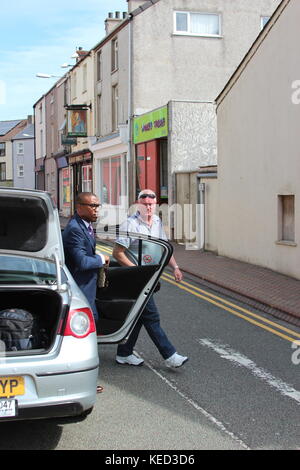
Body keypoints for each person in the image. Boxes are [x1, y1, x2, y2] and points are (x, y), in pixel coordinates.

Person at [112, 189, 188, 369]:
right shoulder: (129, 225)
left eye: (151, 204)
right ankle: (170, 356)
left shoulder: (157, 222)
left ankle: (124, 353)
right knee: (151, 317)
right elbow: (118, 253)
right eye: (144, 203)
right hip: (136, 280)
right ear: (138, 204)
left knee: (138, 317)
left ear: (155, 205)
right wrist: (137, 272)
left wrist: (175, 267)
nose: (148, 206)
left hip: (150, 277)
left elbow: (165, 248)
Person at [62, 192, 109, 322]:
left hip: (88, 289)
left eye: (97, 206)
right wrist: (101, 259)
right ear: (79, 207)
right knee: (89, 326)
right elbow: (82, 262)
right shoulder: (75, 229)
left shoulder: (85, 225)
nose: (96, 210)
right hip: (81, 290)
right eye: (92, 206)